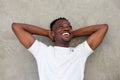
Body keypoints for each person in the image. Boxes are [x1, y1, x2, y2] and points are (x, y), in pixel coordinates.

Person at [12, 17, 108, 80]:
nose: (66, 28)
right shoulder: (42, 51)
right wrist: (47, 33)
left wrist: (70, 33)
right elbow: (16, 27)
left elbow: (103, 28)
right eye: (60, 27)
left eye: (68, 27)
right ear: (53, 33)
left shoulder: (79, 52)